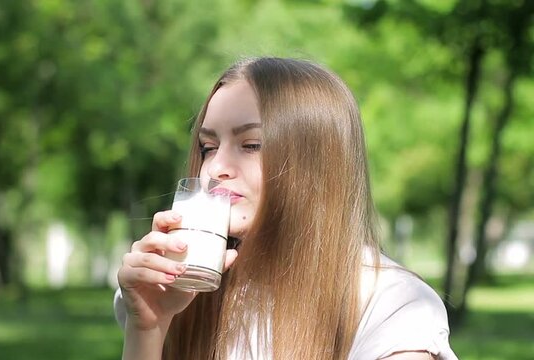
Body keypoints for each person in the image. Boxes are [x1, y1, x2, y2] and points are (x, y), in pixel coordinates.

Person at [114, 57, 458, 360]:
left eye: (250, 145)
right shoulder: (173, 289)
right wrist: (148, 328)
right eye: (208, 146)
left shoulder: (390, 303)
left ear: (317, 164)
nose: (216, 167)